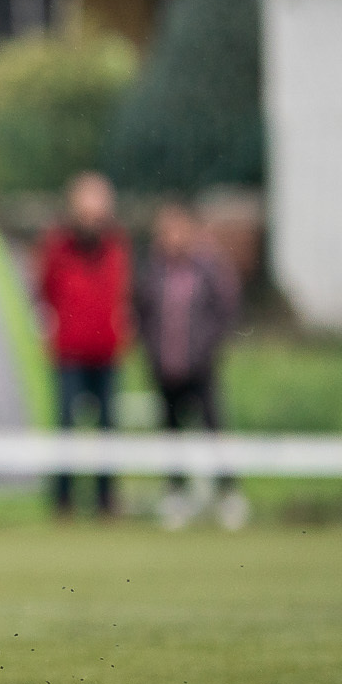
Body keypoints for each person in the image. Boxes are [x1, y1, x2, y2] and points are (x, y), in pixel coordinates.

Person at [133, 202, 244, 527]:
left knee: (214, 429)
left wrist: (207, 348)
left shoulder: (208, 268)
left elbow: (225, 310)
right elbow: (143, 313)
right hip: (164, 366)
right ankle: (176, 494)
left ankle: (229, 493)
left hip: (200, 366)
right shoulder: (153, 271)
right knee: (171, 433)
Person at [36, 172, 129, 518]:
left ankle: (107, 502)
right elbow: (45, 290)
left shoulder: (116, 247)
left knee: (108, 428)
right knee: (66, 427)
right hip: (69, 353)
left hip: (106, 352)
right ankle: (63, 501)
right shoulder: (57, 247)